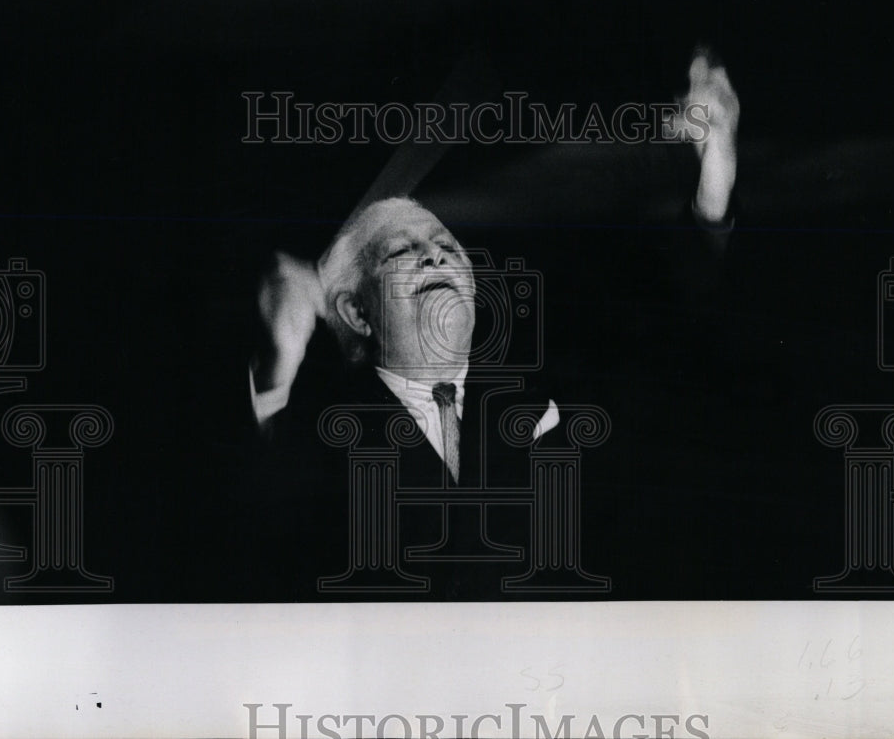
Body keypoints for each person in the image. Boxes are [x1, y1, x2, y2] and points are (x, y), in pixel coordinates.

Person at [242, 50, 740, 598]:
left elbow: (673, 338)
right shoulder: (316, 431)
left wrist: (712, 188)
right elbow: (257, 521)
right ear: (356, 313)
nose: (435, 257)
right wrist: (278, 371)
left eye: (445, 245)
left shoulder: (547, 393)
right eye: (400, 252)